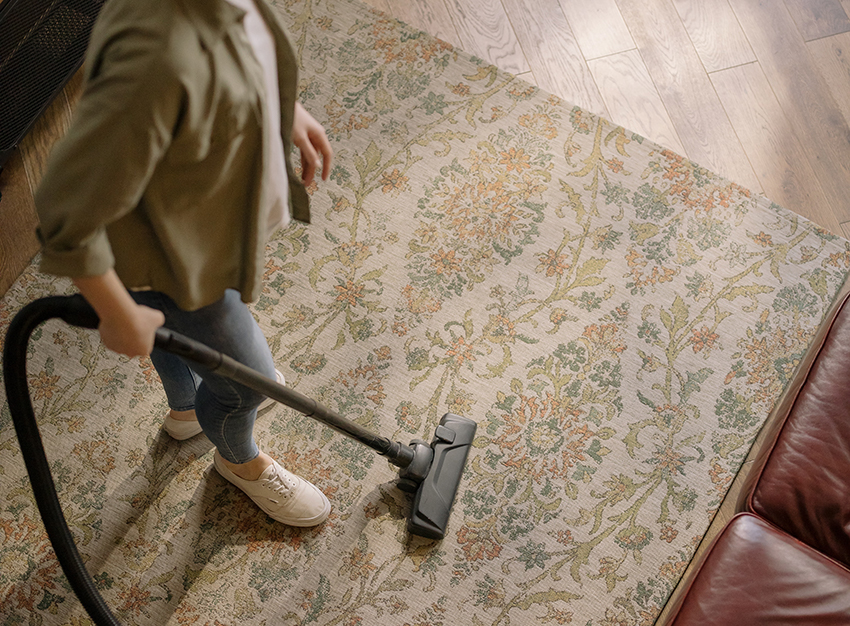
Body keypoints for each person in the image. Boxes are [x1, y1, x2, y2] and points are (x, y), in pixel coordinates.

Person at [34, 0, 333, 527]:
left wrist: (280, 108)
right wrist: (115, 311)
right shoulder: (156, 54)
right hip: (176, 265)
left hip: (188, 230)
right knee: (252, 384)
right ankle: (240, 462)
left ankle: (186, 411)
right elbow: (64, 209)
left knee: (172, 336)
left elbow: (241, 51)